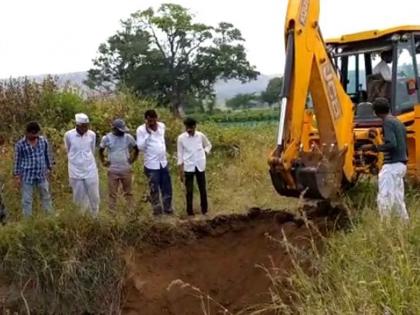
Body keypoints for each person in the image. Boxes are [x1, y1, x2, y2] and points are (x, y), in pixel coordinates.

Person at [363, 97, 409, 221]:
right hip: (401, 164)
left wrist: (374, 147)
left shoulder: (387, 122)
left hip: (392, 165)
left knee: (385, 196)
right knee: (398, 199)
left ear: (376, 112)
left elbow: (391, 143)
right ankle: (404, 224)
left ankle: (385, 226)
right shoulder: (398, 122)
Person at [136, 110, 173, 216]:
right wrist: (148, 133)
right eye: (149, 121)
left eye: (154, 120)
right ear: (146, 120)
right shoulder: (141, 130)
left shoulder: (162, 126)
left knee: (167, 187)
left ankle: (168, 209)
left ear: (157, 118)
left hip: (163, 162)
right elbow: (140, 147)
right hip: (151, 165)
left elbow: (161, 141)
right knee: (154, 188)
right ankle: (157, 211)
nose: (152, 123)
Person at [13, 122, 54, 217]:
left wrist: (49, 168)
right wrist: (17, 175)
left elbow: (47, 155)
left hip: (41, 174)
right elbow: (17, 160)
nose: (35, 136)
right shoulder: (20, 144)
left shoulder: (43, 141)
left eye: (36, 134)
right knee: (27, 200)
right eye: (32, 134)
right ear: (27, 133)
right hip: (27, 175)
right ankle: (28, 221)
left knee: (46, 196)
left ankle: (50, 218)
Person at [99, 118, 139, 210]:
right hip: (113, 170)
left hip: (126, 169)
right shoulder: (107, 138)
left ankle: (131, 211)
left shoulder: (128, 137)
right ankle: (112, 213)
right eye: (120, 130)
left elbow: (136, 148)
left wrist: (133, 159)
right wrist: (103, 161)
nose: (122, 132)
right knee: (112, 194)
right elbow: (100, 150)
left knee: (128, 192)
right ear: (114, 129)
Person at [64, 113, 100, 215]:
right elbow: (68, 150)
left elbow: (91, 150)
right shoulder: (68, 135)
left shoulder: (92, 135)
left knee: (94, 195)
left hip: (90, 169)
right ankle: (81, 217)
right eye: (83, 126)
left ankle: (94, 216)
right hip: (75, 169)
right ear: (77, 125)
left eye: (87, 125)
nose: (86, 128)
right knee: (79, 196)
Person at [177, 117, 212, 217]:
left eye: (191, 128)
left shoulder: (200, 136)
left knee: (202, 189)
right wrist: (180, 169)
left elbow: (208, 145)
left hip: (200, 165)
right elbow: (180, 155)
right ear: (185, 127)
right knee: (189, 190)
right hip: (189, 166)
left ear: (195, 126)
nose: (189, 130)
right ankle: (190, 212)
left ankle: (204, 210)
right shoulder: (181, 138)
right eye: (187, 127)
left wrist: (205, 152)